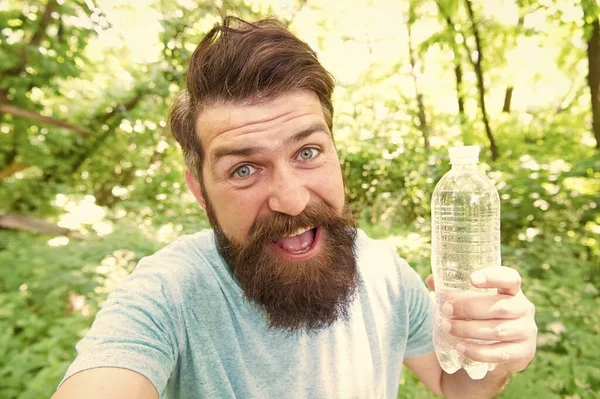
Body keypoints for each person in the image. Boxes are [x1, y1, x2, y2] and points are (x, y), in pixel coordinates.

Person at [52, 17, 537, 399]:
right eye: (244, 169)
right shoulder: (167, 295)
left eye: (307, 153)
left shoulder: (386, 275)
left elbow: (455, 385)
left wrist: (495, 353)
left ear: (334, 152)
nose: (292, 198)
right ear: (200, 193)